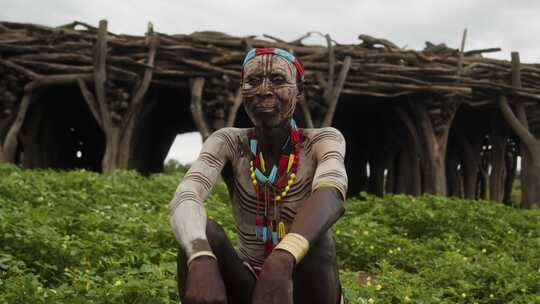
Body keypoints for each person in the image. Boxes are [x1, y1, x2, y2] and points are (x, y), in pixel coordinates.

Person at [169, 47, 348, 304]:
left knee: (318, 240)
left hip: (304, 280)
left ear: (300, 89)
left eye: (277, 80)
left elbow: (331, 193)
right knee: (202, 232)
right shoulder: (228, 142)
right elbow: (186, 195)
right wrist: (200, 257)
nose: (263, 90)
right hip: (249, 279)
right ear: (242, 89)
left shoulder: (322, 139)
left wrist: (282, 258)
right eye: (252, 81)